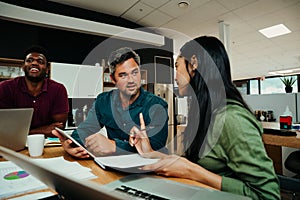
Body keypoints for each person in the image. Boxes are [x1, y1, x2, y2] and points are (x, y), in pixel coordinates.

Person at [129, 36, 280, 199]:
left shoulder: (231, 118)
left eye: (177, 66)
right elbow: (190, 166)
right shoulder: (204, 114)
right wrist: (151, 153)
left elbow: (268, 195)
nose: (174, 76)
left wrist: (193, 172)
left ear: (194, 64)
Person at [53, 47, 168, 157]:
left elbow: (156, 147)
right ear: (113, 79)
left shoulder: (157, 105)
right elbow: (83, 131)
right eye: (123, 75)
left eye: (134, 73)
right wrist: (72, 144)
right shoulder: (103, 101)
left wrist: (114, 146)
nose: (131, 80)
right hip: (114, 165)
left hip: (150, 168)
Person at [0, 45, 69, 137]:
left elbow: (58, 127)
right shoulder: (5, 88)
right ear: (23, 66)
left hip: (46, 144)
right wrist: (41, 130)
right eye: (29, 60)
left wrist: (23, 132)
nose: (34, 63)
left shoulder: (58, 89)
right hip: (12, 141)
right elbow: (4, 128)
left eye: (40, 61)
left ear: (47, 69)